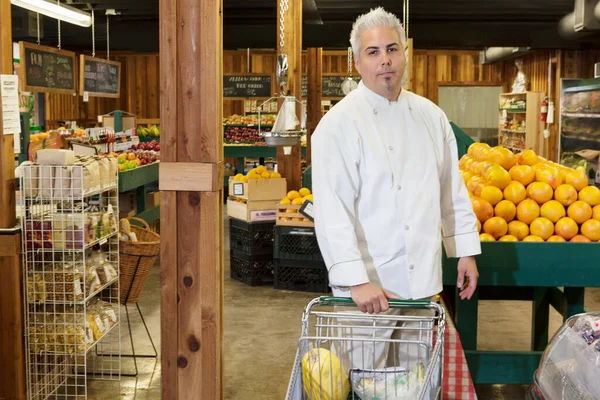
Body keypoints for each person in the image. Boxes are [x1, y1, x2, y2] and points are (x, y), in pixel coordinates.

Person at [311, 7, 481, 373]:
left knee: (415, 379)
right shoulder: (337, 125)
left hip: (421, 284)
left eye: (392, 49)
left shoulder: (431, 116)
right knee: (363, 379)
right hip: (369, 291)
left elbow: (451, 188)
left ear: (406, 54)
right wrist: (356, 280)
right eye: (373, 52)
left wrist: (464, 250)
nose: (385, 60)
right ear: (356, 61)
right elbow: (332, 212)